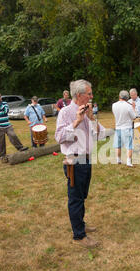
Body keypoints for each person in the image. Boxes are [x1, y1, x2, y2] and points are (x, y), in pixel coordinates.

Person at [55, 79, 108, 249]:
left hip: (86, 159)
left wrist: (91, 118)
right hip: (74, 161)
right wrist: (76, 121)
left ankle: (81, 224)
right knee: (75, 198)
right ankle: (79, 235)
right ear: (79, 95)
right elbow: (60, 137)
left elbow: (100, 135)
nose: (92, 96)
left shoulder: (88, 111)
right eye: (89, 94)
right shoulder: (65, 112)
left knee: (82, 196)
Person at [0, 92, 28, 163]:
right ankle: (2, 156)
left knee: (13, 135)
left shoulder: (4, 103)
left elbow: (6, 111)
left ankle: (20, 148)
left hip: (7, 125)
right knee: (0, 142)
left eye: (0, 96)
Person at [112, 90, 136, 167]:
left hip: (118, 127)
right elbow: (134, 117)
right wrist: (133, 108)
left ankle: (118, 159)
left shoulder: (114, 105)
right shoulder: (128, 106)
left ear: (119, 96)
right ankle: (128, 161)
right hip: (127, 127)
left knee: (118, 145)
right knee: (129, 145)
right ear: (127, 97)